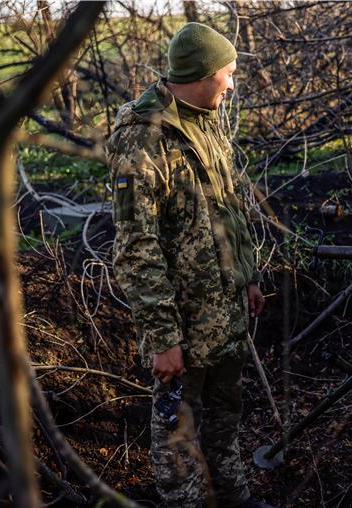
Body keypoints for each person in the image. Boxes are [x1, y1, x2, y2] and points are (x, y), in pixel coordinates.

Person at [106, 22, 270, 508]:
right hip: (183, 323)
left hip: (225, 312)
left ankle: (234, 498)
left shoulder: (206, 117)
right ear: (202, 73)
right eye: (229, 73)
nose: (233, 84)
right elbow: (137, 247)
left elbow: (228, 204)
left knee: (224, 418)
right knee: (177, 432)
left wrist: (249, 274)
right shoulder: (143, 139)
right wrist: (162, 338)